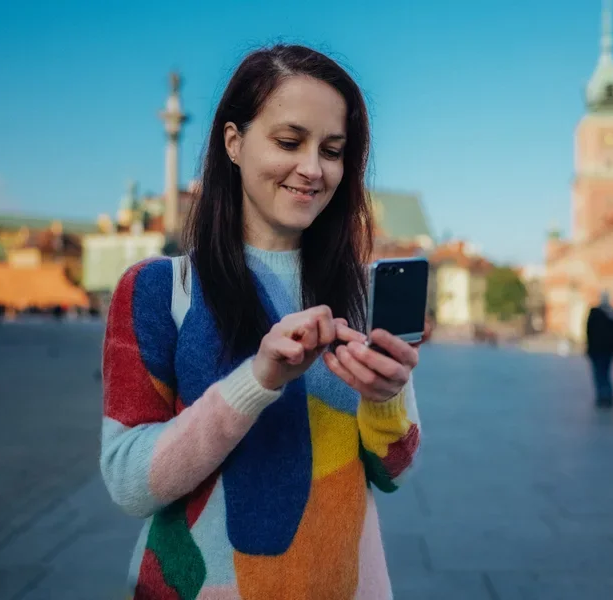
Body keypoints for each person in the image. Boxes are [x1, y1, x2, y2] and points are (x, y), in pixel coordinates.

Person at [100, 45, 422, 599]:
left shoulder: (358, 293)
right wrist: (258, 381)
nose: (313, 169)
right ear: (233, 142)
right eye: (289, 142)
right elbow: (129, 484)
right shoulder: (158, 290)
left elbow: (392, 473)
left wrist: (385, 396)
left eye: (333, 150)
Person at [586, 291, 613, 408]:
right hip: (607, 351)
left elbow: (589, 332)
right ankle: (607, 396)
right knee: (606, 373)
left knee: (599, 373)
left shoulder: (595, 313)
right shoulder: (612, 314)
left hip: (598, 350)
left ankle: (603, 396)